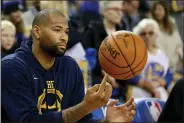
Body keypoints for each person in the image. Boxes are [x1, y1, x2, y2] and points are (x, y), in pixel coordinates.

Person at [1, 9, 136, 122]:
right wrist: (85, 107)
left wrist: (107, 121)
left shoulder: (70, 67)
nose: (64, 37)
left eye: (66, 31)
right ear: (37, 32)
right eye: (57, 30)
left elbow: (81, 120)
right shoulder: (11, 67)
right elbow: (28, 120)